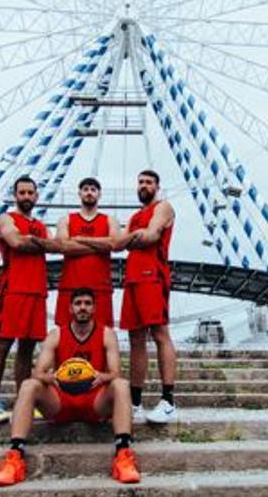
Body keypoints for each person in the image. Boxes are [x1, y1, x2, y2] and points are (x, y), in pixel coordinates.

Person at [0, 287, 140, 487]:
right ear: (70, 308)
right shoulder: (56, 335)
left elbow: (116, 372)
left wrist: (100, 376)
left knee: (121, 385)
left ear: (94, 308)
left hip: (93, 400)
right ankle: (15, 457)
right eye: (78, 304)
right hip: (61, 401)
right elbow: (39, 372)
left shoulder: (106, 334)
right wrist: (54, 377)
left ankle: (123, 455)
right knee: (29, 384)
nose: (83, 308)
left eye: (87, 303)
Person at [0, 175, 62, 425]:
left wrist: (36, 243)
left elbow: (53, 246)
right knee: (2, 344)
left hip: (37, 290)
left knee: (27, 349)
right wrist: (41, 244)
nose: (26, 197)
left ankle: (22, 400)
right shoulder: (6, 219)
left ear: (37, 196)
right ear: (15, 195)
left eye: (30, 193)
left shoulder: (39, 224)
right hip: (14, 289)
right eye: (22, 192)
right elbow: (15, 241)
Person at [121, 169, 177, 424]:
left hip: (151, 275)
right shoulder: (135, 216)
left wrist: (125, 240)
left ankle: (168, 400)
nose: (143, 185)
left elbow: (151, 236)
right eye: (140, 181)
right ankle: (135, 402)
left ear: (157, 186)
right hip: (132, 278)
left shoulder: (163, 208)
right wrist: (129, 239)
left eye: (148, 182)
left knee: (159, 334)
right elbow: (130, 241)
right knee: (135, 339)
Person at [54, 177, 124, 328]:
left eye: (93, 190)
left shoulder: (110, 220)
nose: (89, 193)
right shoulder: (66, 219)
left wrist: (79, 239)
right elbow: (63, 246)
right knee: (65, 334)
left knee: (102, 333)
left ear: (99, 194)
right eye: (85, 189)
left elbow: (115, 243)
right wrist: (101, 244)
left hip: (100, 287)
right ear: (79, 193)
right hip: (70, 285)